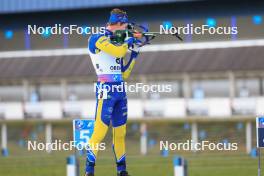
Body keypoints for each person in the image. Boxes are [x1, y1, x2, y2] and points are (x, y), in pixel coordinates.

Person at [86, 8, 139, 176]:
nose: (126, 29)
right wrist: (127, 41)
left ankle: (122, 170)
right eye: (125, 25)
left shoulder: (117, 42)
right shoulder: (97, 38)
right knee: (99, 132)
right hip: (105, 89)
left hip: (119, 89)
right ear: (116, 23)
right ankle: (89, 171)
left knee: (120, 132)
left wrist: (134, 56)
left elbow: (124, 73)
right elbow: (118, 51)